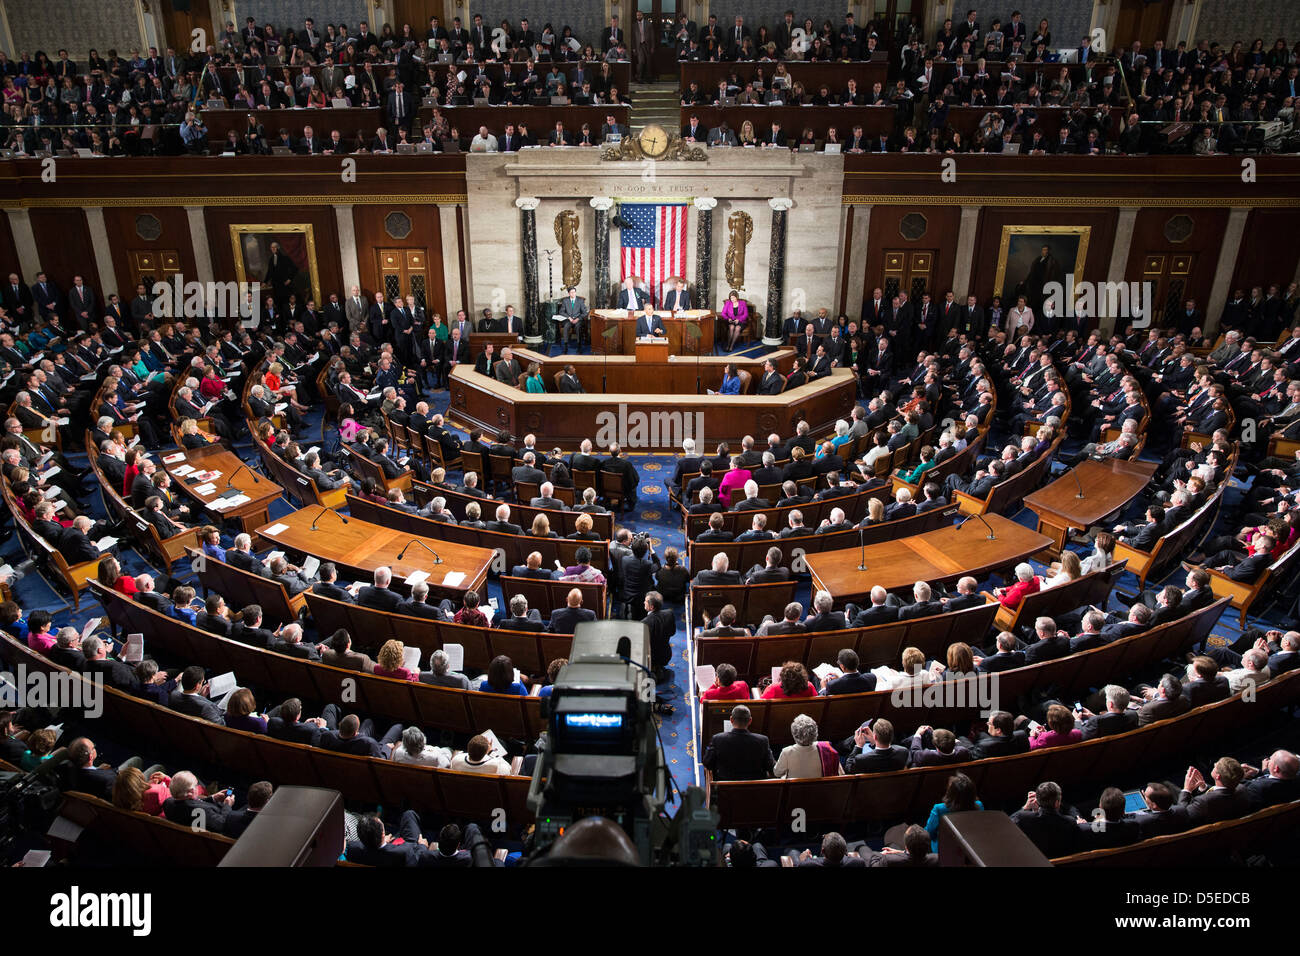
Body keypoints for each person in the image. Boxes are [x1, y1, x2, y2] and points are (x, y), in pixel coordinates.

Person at [773, 714, 843, 778]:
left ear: (794, 734)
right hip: (820, 788)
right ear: (816, 733)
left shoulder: (787, 752)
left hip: (795, 790)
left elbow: (777, 773)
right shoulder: (826, 749)